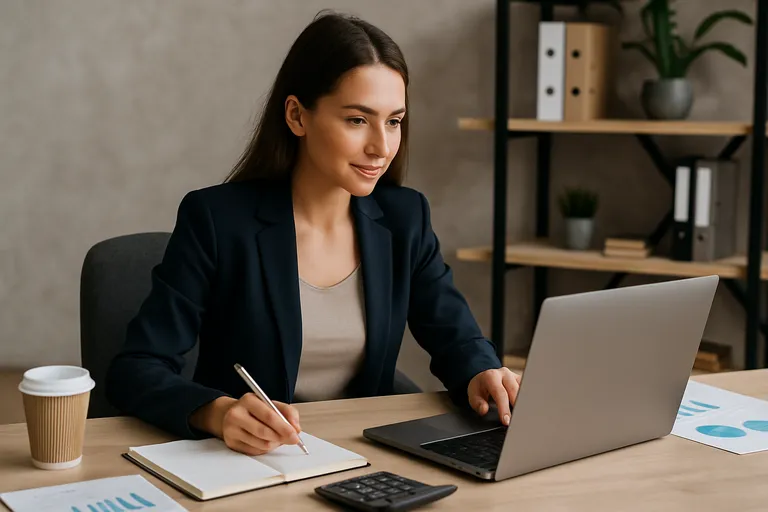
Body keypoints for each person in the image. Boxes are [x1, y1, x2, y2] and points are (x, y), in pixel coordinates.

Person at [105, 11, 521, 457]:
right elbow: (137, 368)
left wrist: (483, 373)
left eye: (394, 121)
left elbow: (456, 336)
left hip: (362, 460)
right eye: (357, 120)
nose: (381, 146)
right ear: (297, 116)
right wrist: (218, 412)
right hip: (250, 462)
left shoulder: (405, 218)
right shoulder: (216, 219)